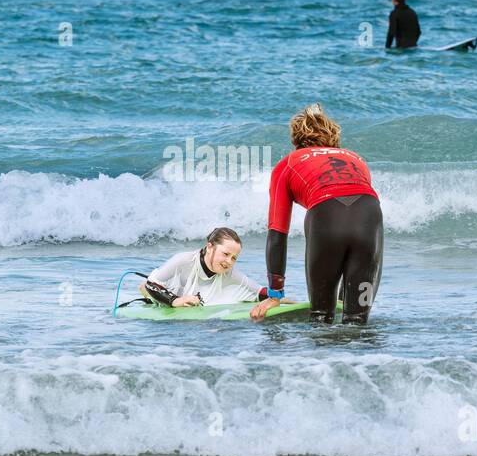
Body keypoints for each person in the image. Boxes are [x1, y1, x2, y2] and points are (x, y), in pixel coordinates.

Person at [250, 104, 383, 325]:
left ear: (296, 140)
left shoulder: (288, 163)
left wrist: (275, 295)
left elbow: (277, 233)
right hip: (370, 216)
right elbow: (355, 197)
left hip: (326, 217)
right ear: (333, 136)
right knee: (357, 322)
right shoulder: (355, 158)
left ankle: (320, 359)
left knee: (321, 320)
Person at [141, 227, 270, 308]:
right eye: (225, 254)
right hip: (161, 291)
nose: (229, 261)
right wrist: (174, 301)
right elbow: (150, 284)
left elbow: (259, 292)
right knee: (145, 287)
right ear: (209, 247)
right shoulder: (184, 260)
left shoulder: (229, 273)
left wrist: (278, 296)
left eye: (234, 258)